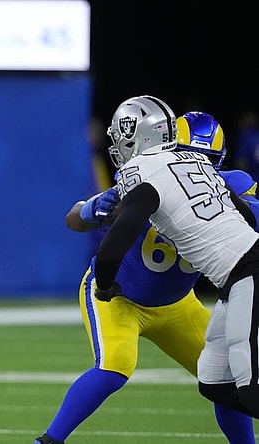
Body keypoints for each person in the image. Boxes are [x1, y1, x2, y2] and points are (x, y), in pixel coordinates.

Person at [34, 110, 257, 444]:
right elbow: (74, 218)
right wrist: (92, 209)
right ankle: (49, 440)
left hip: (179, 303)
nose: (193, 165)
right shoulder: (149, 176)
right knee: (115, 365)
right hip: (120, 297)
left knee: (224, 380)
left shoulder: (231, 182)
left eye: (204, 160)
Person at [91, 95, 259, 424]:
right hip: (236, 276)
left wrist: (105, 286)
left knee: (250, 386)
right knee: (214, 382)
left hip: (247, 271)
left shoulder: (143, 173)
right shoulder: (195, 165)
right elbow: (245, 216)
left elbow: (114, 243)